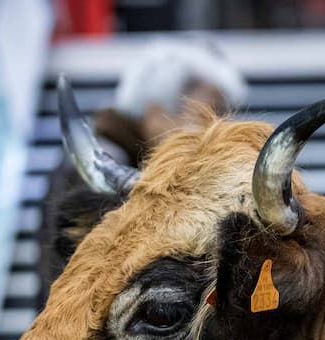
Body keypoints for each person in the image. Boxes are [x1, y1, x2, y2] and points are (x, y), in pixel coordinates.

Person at [37, 39, 247, 308]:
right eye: (211, 111)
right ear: (156, 110)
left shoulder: (111, 160)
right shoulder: (101, 171)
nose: (218, 127)